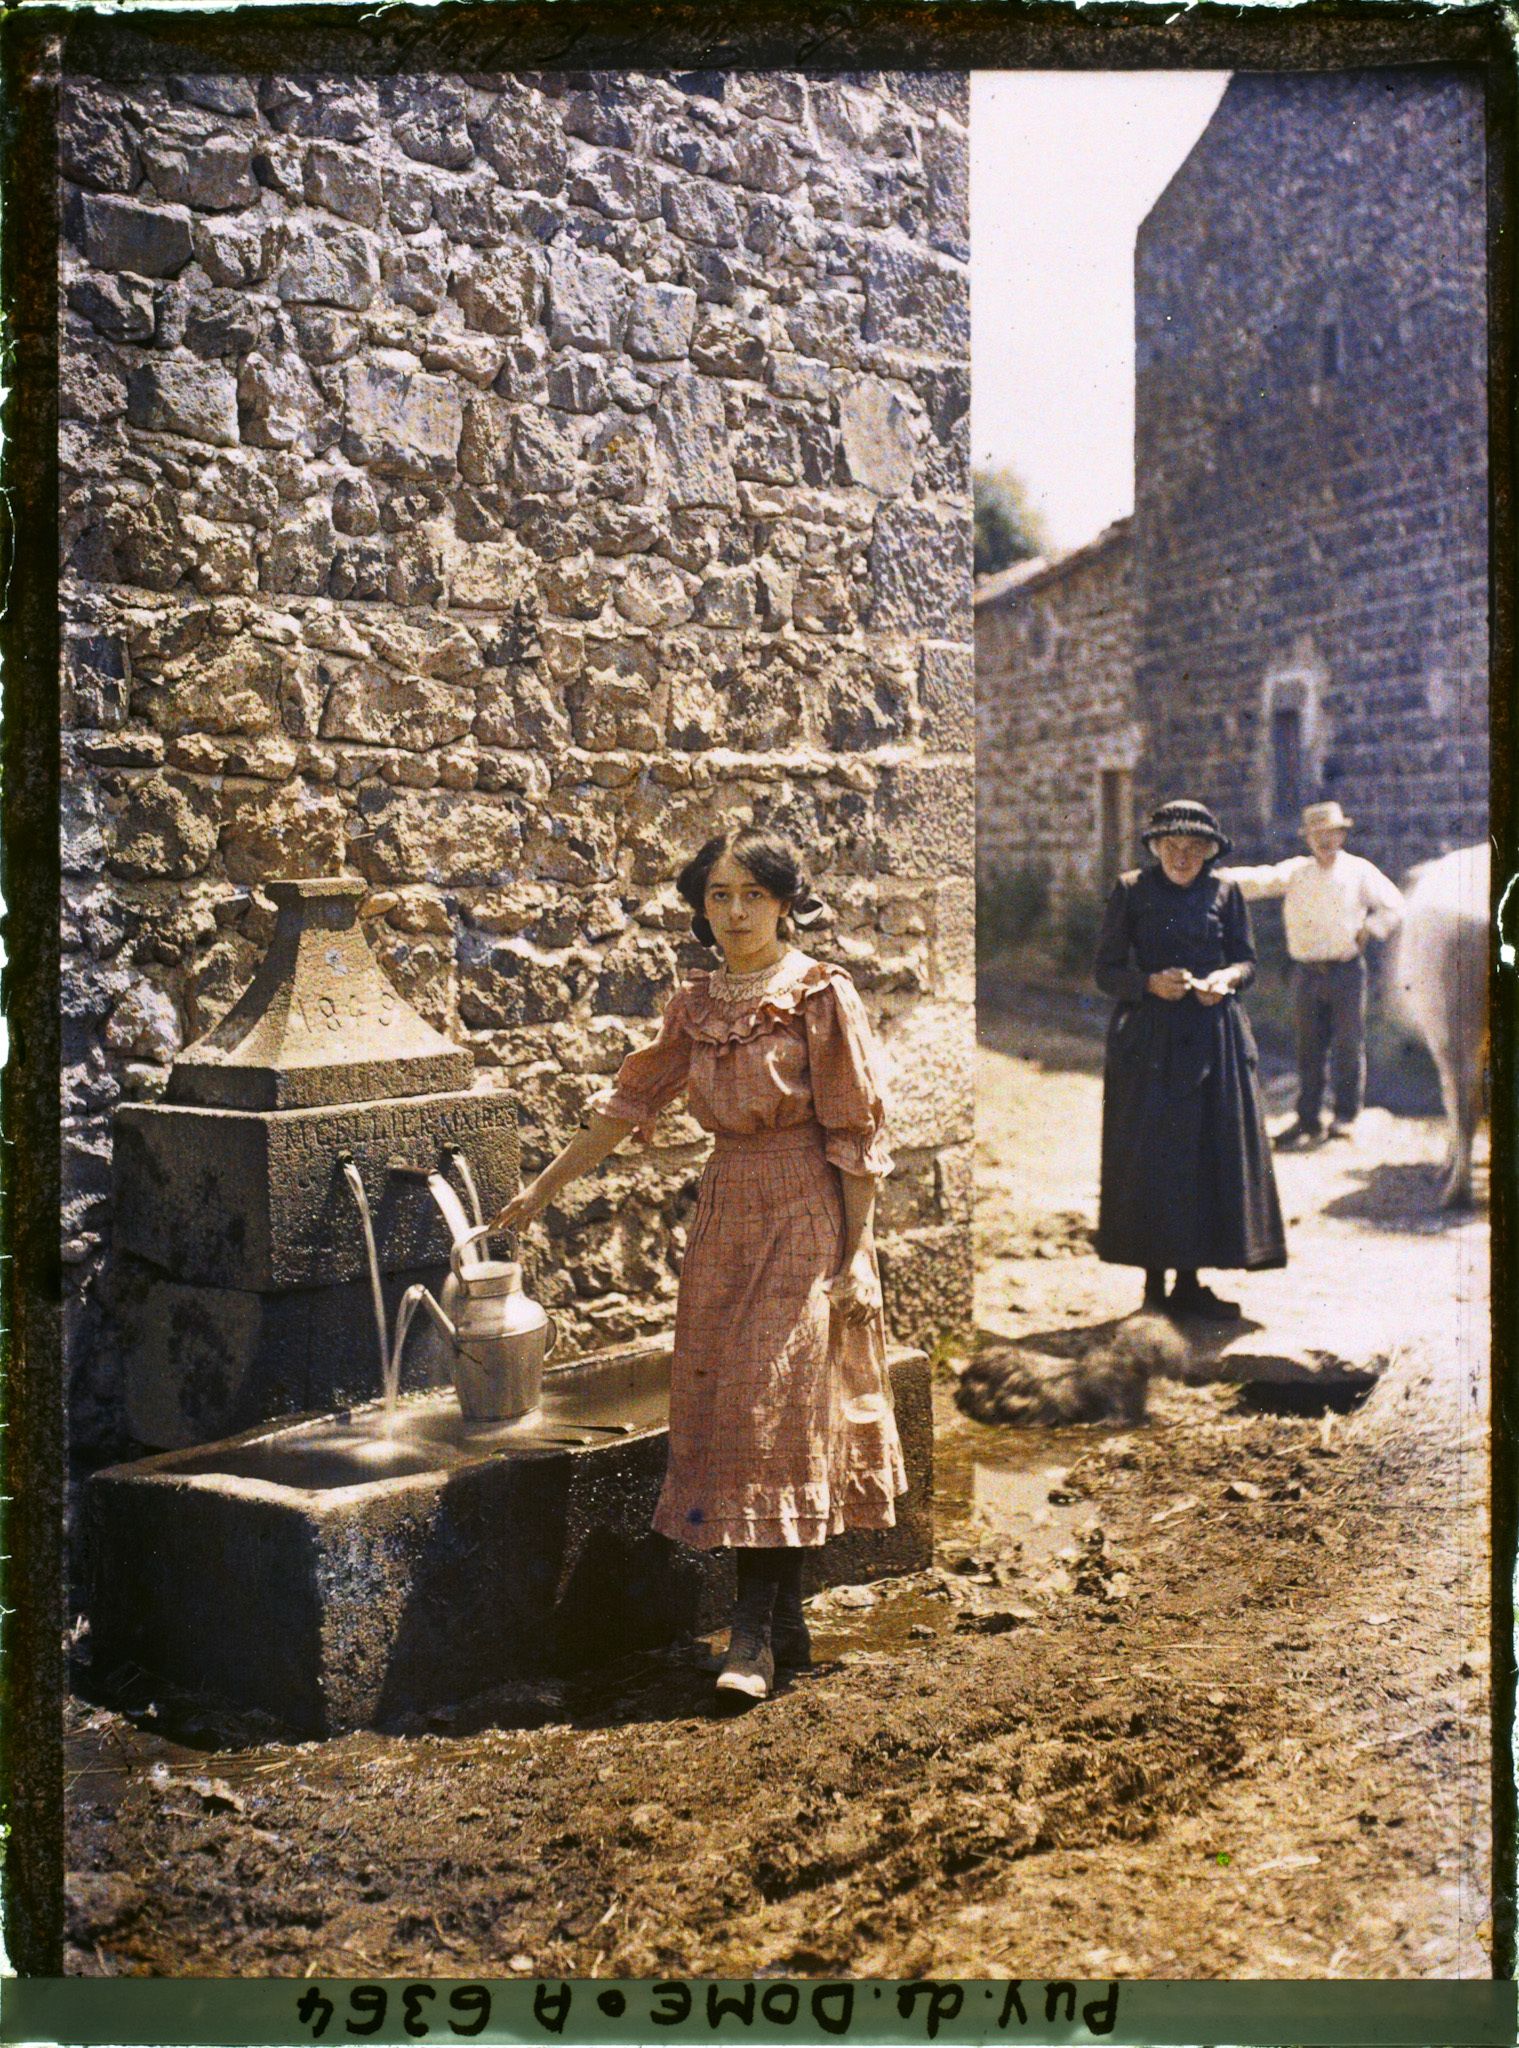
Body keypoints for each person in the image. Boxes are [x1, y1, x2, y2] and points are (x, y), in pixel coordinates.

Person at [491, 827, 906, 1708]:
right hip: (725, 1213)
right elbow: (627, 1103)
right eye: (718, 895)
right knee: (734, 1407)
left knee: (769, 1403)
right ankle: (784, 1618)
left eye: (752, 894)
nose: (735, 912)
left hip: (806, 1208)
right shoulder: (696, 1005)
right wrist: (541, 1190)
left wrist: (857, 1255)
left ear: (786, 902)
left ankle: (749, 1635)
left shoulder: (821, 995)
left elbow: (855, 1130)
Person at [1094, 798, 1287, 1319]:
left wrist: (1226, 980)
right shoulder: (1132, 891)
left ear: (1209, 852)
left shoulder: (1225, 892)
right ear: (1156, 849)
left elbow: (1247, 959)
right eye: (1172, 847)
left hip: (1213, 1037)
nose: (1183, 857)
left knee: (1207, 1151)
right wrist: (1147, 983)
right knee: (1154, 1156)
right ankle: (1154, 1287)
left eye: (1194, 849)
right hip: (1149, 1043)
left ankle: (1191, 1282)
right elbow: (1106, 971)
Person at [1217, 800, 1404, 1145]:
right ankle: (1308, 1119)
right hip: (1306, 973)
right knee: (1309, 1047)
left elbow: (1394, 904)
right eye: (1317, 834)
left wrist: (1371, 928)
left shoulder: (1359, 871)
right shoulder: (1297, 871)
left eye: (1330, 833)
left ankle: (1346, 1116)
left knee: (1348, 1044)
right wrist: (1213, 878)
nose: (1324, 841)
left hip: (1346, 970)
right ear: (1308, 839)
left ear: (1341, 834)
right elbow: (1259, 880)